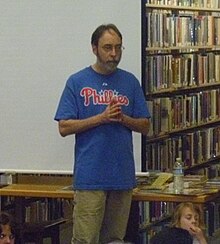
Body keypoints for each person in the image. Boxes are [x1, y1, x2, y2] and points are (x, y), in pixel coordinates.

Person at [54, 23, 151, 244]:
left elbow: (145, 126)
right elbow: (64, 127)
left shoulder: (130, 81)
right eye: (108, 47)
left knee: (115, 240)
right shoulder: (77, 82)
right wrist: (101, 118)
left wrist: (122, 119)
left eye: (118, 48)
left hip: (122, 177)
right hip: (90, 178)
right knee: (85, 239)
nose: (114, 54)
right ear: (94, 48)